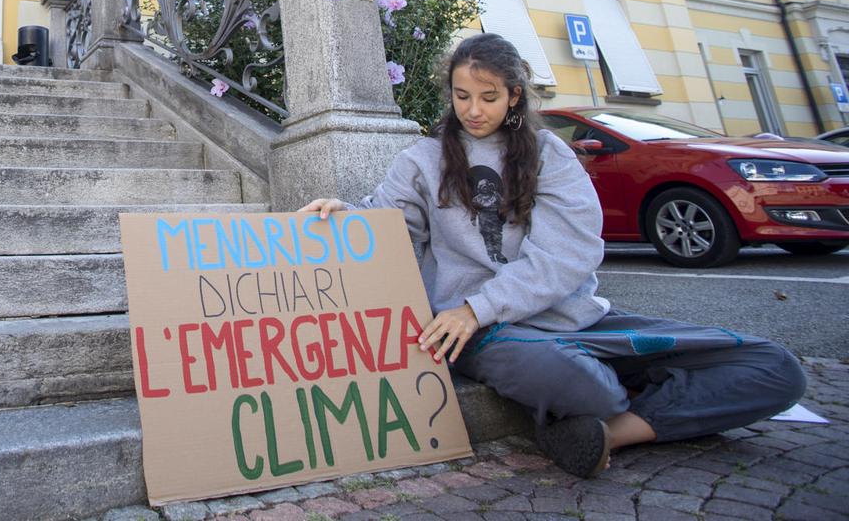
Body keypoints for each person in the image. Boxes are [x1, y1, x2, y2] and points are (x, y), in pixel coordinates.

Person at [300, 32, 805, 478]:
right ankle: (621, 406)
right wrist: (345, 216)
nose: (473, 110)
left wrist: (478, 303)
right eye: (462, 96)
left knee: (776, 367)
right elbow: (388, 224)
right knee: (588, 387)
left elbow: (567, 255)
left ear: (514, 95)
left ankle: (616, 431)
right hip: (486, 333)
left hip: (578, 323)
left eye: (488, 96)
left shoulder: (550, 155)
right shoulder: (421, 159)